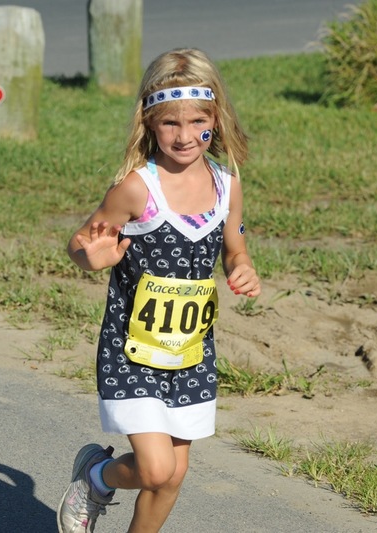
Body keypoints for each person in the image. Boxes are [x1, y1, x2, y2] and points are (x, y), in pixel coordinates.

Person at [57, 47, 261, 533]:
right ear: (149, 122)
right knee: (154, 468)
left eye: (198, 121)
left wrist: (242, 266)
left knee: (174, 476)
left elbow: (233, 246)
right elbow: (80, 243)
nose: (185, 135)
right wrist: (92, 257)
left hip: (190, 351)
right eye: (170, 123)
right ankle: (96, 476)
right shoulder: (136, 188)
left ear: (216, 117)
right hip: (131, 349)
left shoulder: (226, 184)